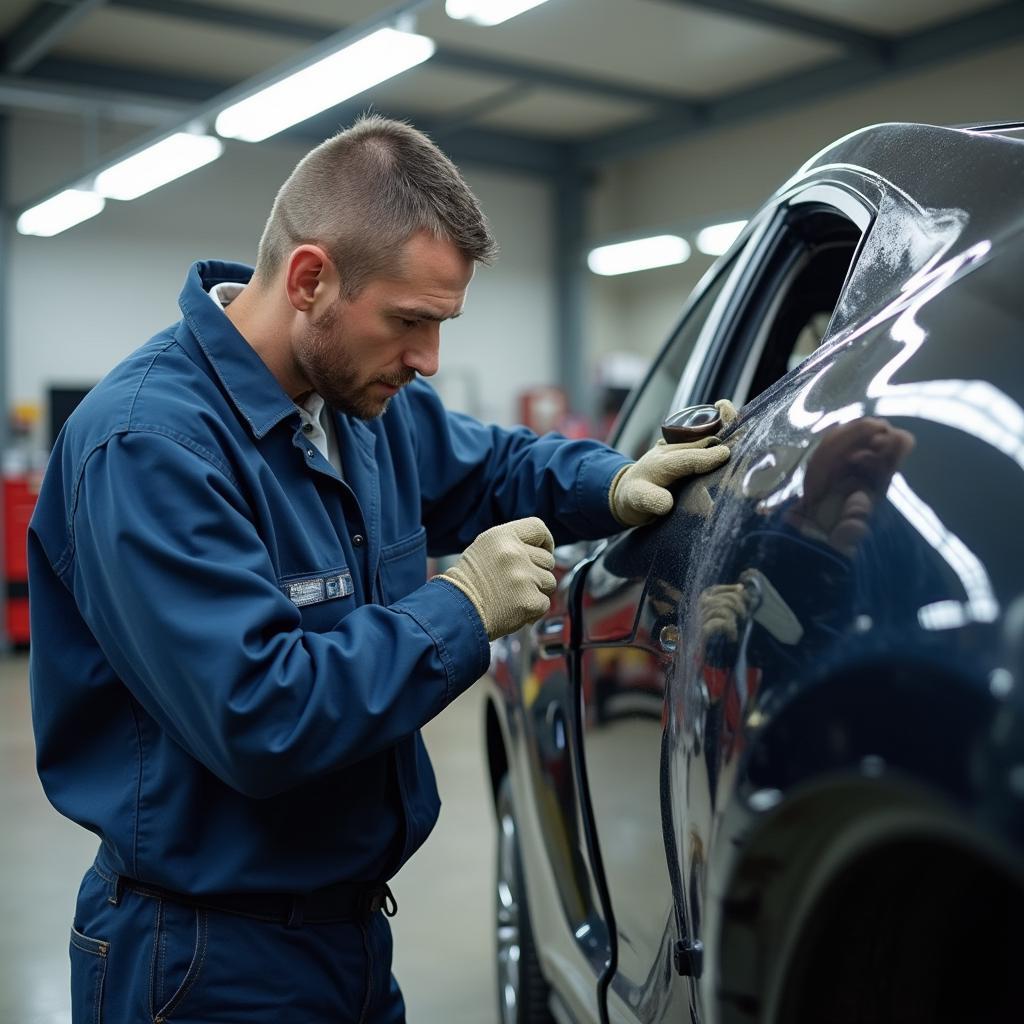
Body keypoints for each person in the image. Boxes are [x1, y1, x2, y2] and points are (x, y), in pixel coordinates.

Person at [27, 115, 733, 1023]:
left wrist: (618, 479)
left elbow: (494, 466)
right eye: (409, 322)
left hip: (349, 936)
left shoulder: (360, 404)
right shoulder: (148, 446)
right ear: (311, 278)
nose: (427, 361)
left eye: (441, 326)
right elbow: (260, 714)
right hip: (204, 962)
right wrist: (460, 605)